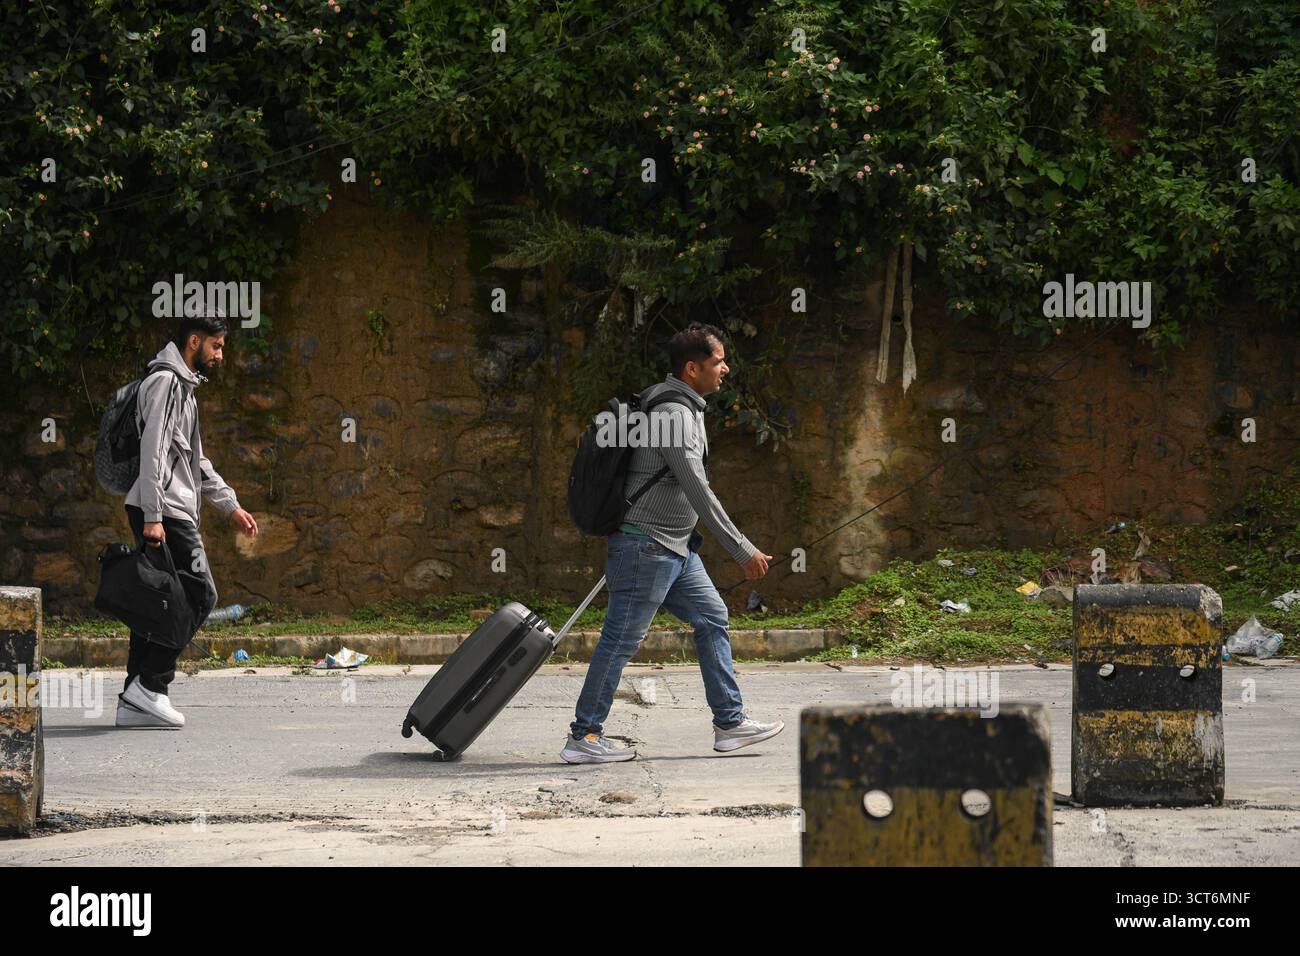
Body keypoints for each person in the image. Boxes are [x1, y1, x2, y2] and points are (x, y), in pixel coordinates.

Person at [563, 322, 782, 763]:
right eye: (718, 362)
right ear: (691, 367)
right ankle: (584, 736)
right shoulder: (673, 415)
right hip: (646, 547)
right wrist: (742, 549)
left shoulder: (685, 406)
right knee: (621, 639)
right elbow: (697, 487)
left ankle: (730, 723)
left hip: (674, 549)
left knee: (712, 617)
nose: (725, 369)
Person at [117, 313, 259, 728]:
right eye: (216, 346)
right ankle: (151, 684)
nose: (220, 355)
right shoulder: (165, 382)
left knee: (153, 602)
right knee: (201, 596)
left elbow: (195, 462)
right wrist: (154, 516)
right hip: (163, 510)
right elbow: (154, 450)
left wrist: (229, 505)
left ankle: (133, 699)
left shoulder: (185, 388)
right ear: (194, 341)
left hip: (163, 506)